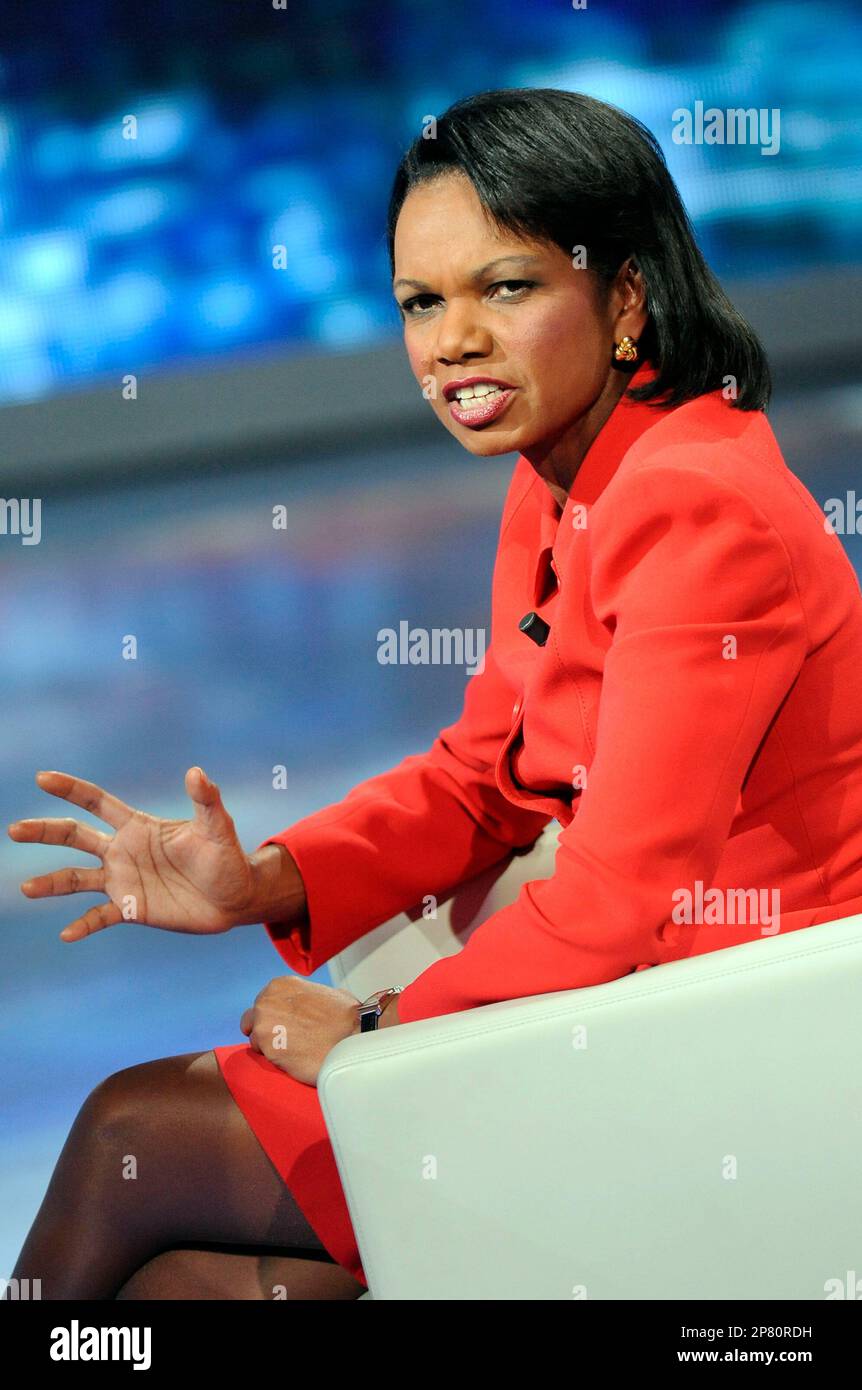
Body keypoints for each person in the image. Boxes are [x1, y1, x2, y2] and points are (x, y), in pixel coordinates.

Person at [7, 87, 862, 1300]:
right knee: (184, 1287)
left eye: (504, 287)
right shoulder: (573, 468)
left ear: (623, 298)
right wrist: (269, 879)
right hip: (631, 999)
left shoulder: (696, 507)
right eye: (421, 301)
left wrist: (376, 1040)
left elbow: (616, 895)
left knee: (132, 1133)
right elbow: (486, 774)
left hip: (729, 1035)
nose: (451, 339)